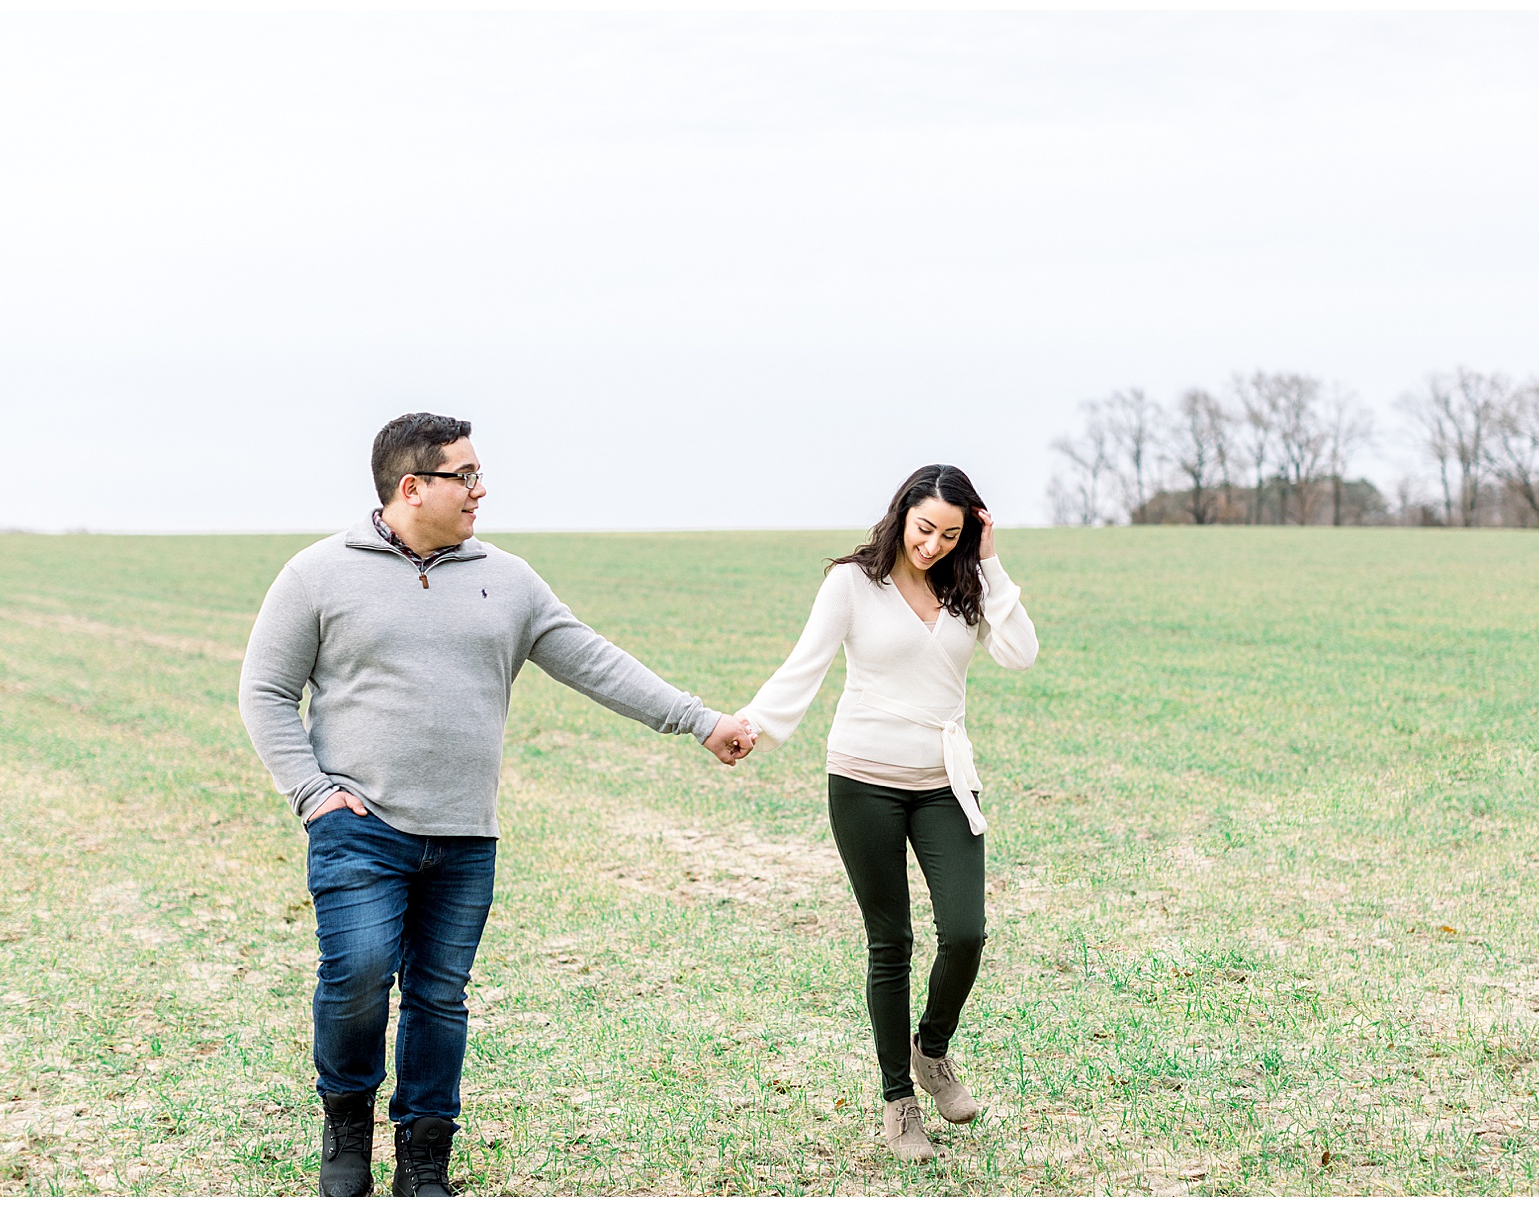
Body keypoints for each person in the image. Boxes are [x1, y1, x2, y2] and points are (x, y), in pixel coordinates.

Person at [238, 413, 755, 1197]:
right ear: (412, 488)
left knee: (440, 997)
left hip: (465, 835)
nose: (481, 489)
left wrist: (700, 720)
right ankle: (346, 1131)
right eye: (465, 475)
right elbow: (265, 692)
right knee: (358, 975)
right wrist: (314, 795)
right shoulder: (316, 573)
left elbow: (594, 660)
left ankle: (424, 1160)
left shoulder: (508, 579)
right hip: (358, 829)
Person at [735, 464, 1039, 1161]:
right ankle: (899, 1101)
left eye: (950, 534)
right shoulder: (852, 582)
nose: (932, 544)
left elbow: (1020, 652)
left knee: (966, 931)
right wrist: (755, 725)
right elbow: (803, 665)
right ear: (902, 512)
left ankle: (932, 1051)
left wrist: (990, 563)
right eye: (925, 526)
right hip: (863, 779)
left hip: (944, 782)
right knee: (891, 941)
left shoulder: (966, 587)